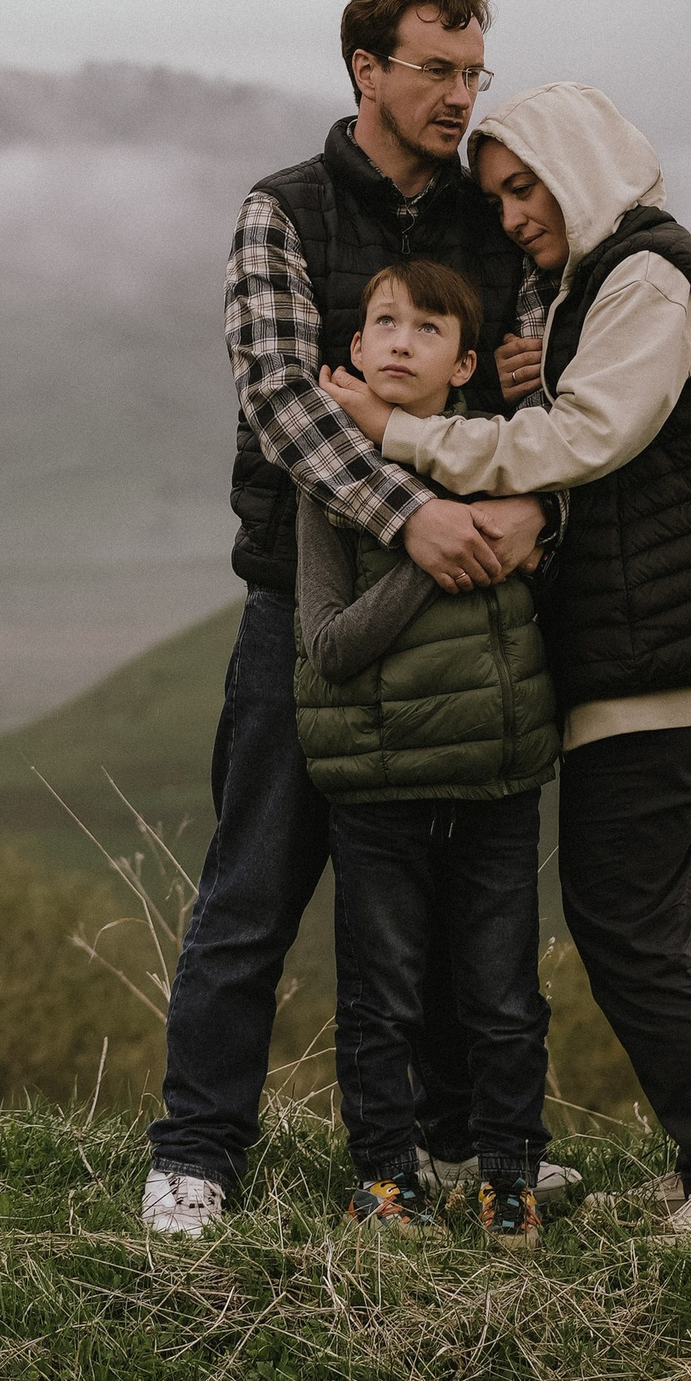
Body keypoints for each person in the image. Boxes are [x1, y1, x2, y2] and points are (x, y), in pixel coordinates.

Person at [321, 81, 691, 1236]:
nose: (514, 213)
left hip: (671, 647)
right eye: (498, 195)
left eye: (524, 185)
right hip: (669, 641)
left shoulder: (649, 277)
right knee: (680, 912)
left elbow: (587, 435)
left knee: (623, 913)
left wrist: (400, 433)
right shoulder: (599, 284)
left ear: (577, 168)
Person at [141, 0, 551, 1239]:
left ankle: (453, 1147)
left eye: (474, 70)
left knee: (445, 907)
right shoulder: (285, 212)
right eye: (436, 67)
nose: (460, 94)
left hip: (473, 610)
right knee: (254, 885)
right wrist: (413, 516)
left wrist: (522, 507)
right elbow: (279, 398)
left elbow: (543, 398)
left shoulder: (494, 221)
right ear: (365, 68)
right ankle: (197, 1151)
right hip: (299, 602)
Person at [295, 259, 559, 1245]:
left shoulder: (506, 465)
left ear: (464, 365)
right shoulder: (327, 491)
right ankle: (384, 1178)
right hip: (380, 786)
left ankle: (507, 1177)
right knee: (383, 993)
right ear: (354, 350)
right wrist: (428, 546)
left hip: (495, 779)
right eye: (383, 321)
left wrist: (516, 523)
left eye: (428, 326)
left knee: (500, 994)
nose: (401, 338)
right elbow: (327, 643)